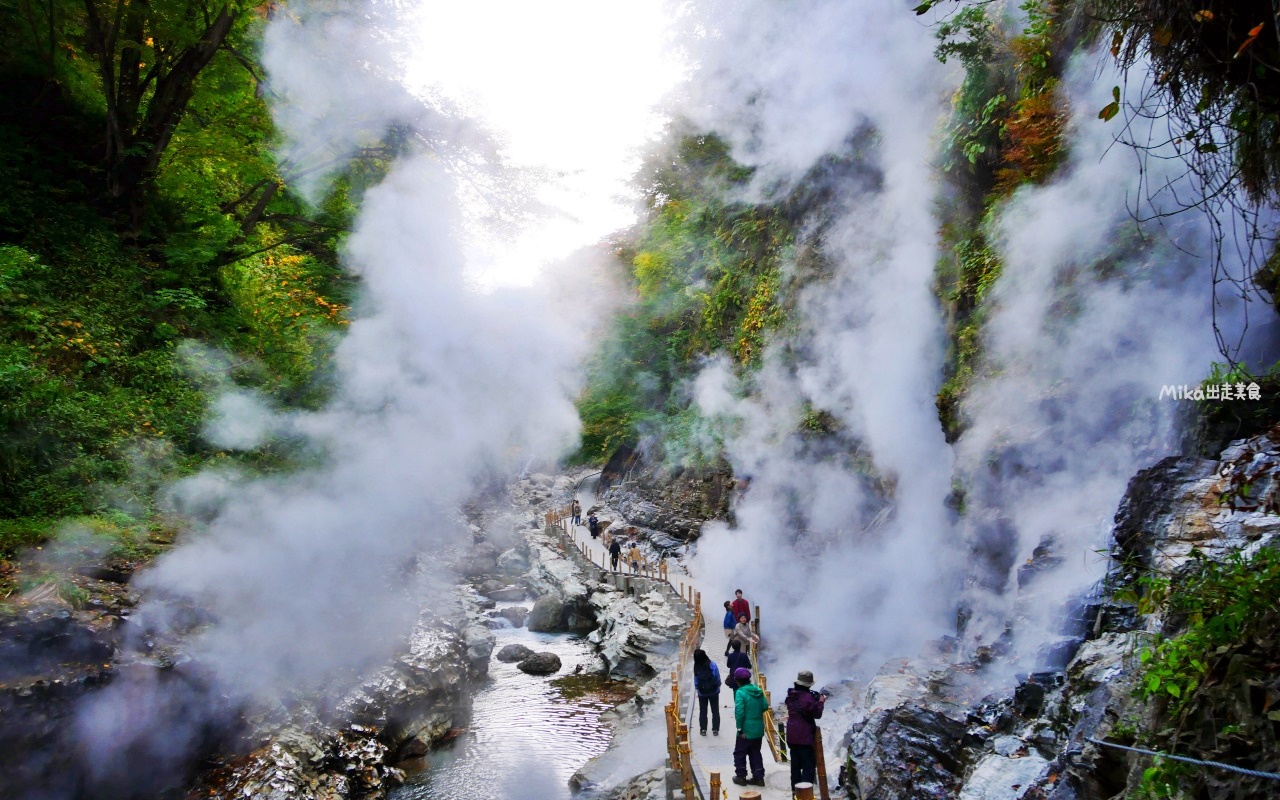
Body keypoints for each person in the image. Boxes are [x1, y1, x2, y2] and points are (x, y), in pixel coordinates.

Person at [785, 670, 828, 790]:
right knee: (808, 766)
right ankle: (805, 794)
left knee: (795, 766)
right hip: (804, 737)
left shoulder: (791, 695)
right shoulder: (808, 698)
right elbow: (817, 714)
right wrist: (820, 702)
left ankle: (795, 792)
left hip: (792, 735)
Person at [732, 668, 767, 787]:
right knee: (755, 752)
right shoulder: (758, 690)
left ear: (737, 680)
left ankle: (741, 776)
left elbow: (740, 712)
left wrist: (739, 729)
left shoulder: (740, 692)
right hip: (758, 728)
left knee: (740, 753)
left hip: (746, 729)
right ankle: (759, 778)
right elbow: (765, 706)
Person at [692, 649, 721, 736]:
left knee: (703, 711)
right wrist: (718, 687)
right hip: (714, 691)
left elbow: (696, 681)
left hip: (702, 693)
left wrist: (698, 689)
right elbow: (717, 678)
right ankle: (715, 729)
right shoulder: (713, 665)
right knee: (715, 710)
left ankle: (703, 729)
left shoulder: (697, 667)